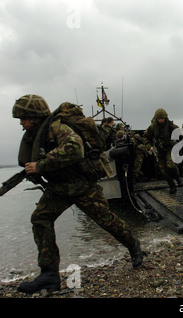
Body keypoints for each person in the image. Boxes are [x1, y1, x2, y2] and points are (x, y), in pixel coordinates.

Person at [12, 94, 143, 294]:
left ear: (35, 115)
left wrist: (41, 165)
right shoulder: (37, 135)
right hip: (58, 188)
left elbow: (74, 148)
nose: (21, 123)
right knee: (40, 218)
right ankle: (49, 274)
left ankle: (133, 245)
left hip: (82, 187)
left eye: (23, 118)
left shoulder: (56, 127)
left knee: (106, 220)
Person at [143, 108, 181, 194]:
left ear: (165, 118)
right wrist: (149, 147)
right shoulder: (152, 127)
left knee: (170, 165)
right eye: (159, 119)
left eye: (162, 118)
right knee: (163, 170)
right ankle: (172, 186)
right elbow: (145, 137)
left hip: (169, 148)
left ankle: (176, 176)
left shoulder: (171, 125)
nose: (160, 120)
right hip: (159, 150)